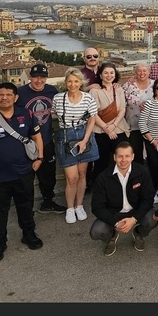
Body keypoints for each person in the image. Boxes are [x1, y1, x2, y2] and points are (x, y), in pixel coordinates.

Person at [0, 81, 45, 263]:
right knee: (0, 210)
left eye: (9, 94)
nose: (4, 98)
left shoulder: (26, 114)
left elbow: (37, 136)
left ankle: (29, 235)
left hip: (23, 172)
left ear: (16, 97)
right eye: (1, 95)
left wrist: (39, 158)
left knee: (26, 206)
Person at [89, 138, 156, 255]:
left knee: (152, 219)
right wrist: (115, 222)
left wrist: (134, 219)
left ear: (133, 156)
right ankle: (112, 236)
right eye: (120, 156)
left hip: (135, 211)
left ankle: (138, 233)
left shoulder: (143, 172)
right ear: (114, 157)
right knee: (96, 231)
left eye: (127, 156)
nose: (123, 160)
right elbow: (97, 207)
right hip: (114, 213)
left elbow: (148, 198)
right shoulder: (103, 177)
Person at [52, 68, 99, 223]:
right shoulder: (58, 98)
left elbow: (92, 119)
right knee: (71, 178)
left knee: (82, 174)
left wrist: (85, 140)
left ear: (81, 83)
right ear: (66, 82)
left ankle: (79, 205)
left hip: (84, 136)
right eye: (70, 81)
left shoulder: (87, 98)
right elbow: (53, 114)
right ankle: (70, 208)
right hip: (66, 136)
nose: (72, 84)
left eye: (76, 81)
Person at [17, 62, 64, 212]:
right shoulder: (20, 93)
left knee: (48, 175)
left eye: (42, 77)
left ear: (46, 78)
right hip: (26, 143)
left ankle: (48, 202)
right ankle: (25, 207)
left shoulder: (52, 91)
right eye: (35, 77)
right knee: (25, 177)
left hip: (46, 140)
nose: (39, 81)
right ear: (30, 77)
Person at [91, 62, 129, 179]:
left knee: (123, 159)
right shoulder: (94, 91)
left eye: (111, 73)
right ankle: (100, 185)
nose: (109, 75)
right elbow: (93, 113)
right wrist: (107, 129)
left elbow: (122, 109)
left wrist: (113, 125)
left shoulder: (119, 89)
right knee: (101, 162)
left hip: (118, 128)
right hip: (100, 131)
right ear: (101, 75)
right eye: (106, 73)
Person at [122, 63, 153, 162]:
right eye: (139, 71)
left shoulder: (155, 85)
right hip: (133, 125)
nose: (142, 73)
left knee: (152, 153)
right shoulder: (128, 85)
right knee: (136, 152)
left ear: (149, 72)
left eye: (144, 70)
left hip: (151, 125)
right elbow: (120, 101)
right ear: (135, 73)